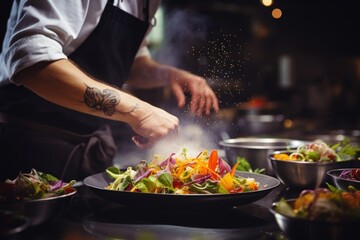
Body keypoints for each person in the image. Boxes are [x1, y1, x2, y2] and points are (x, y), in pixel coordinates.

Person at [0, 0, 219, 181]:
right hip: (26, 153)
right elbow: (31, 62)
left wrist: (170, 75)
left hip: (86, 153)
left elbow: (130, 63)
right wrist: (140, 112)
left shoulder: (148, 4)